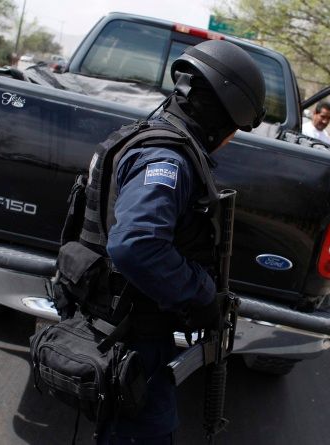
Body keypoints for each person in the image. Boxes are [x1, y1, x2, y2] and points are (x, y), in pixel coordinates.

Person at [91, 40, 266, 443]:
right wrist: (201, 294)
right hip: (133, 341)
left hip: (120, 328)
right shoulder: (166, 160)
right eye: (235, 127)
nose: (232, 138)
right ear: (221, 117)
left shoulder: (146, 136)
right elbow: (135, 244)